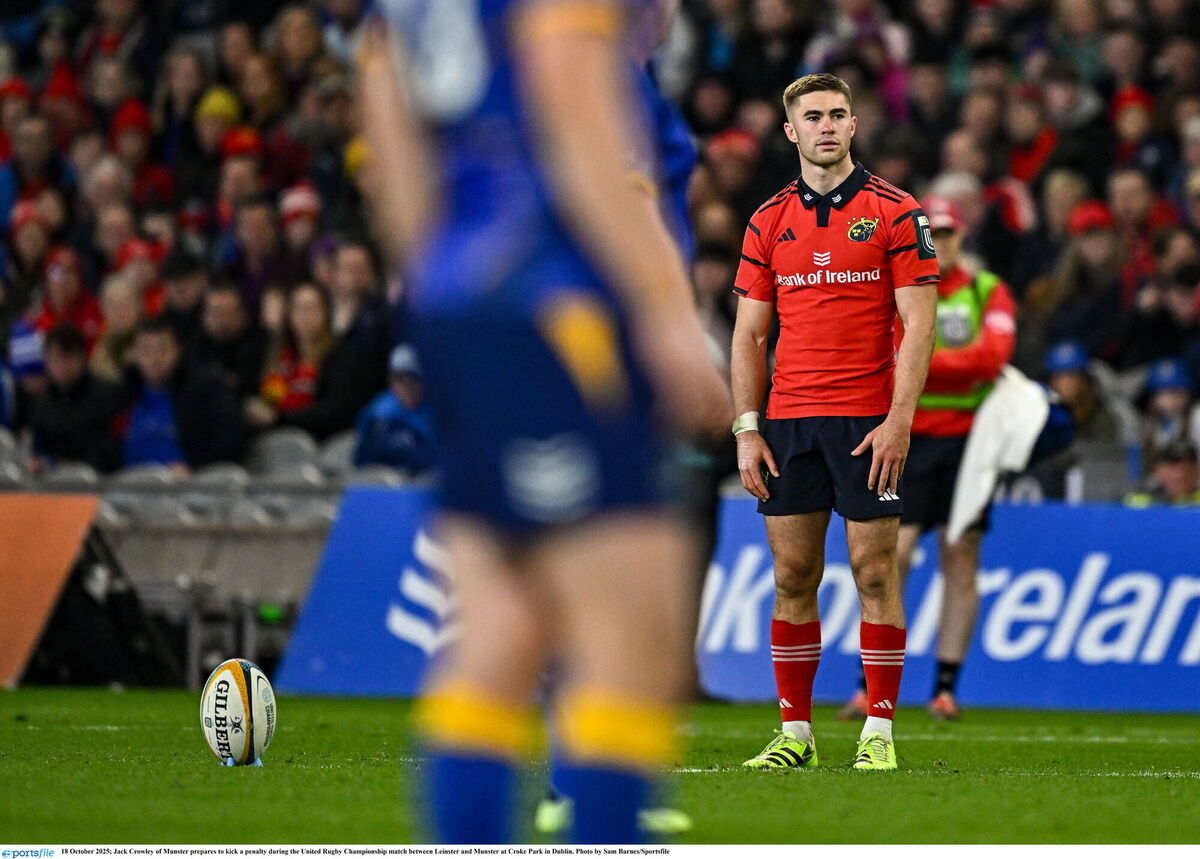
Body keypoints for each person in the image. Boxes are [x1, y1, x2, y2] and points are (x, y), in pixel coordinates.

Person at [360, 0, 729, 844]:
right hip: (559, 308)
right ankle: (609, 836)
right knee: (632, 624)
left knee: (503, 619)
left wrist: (440, 298)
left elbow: (390, 132)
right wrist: (666, 318)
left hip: (462, 298)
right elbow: (574, 113)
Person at [731, 73, 937, 771]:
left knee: (874, 571)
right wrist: (747, 427)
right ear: (790, 131)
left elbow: (919, 324)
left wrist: (900, 420)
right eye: (812, 116)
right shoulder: (768, 220)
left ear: (854, 125)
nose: (826, 125)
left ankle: (878, 731)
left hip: (867, 420)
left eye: (838, 114)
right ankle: (797, 734)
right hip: (788, 422)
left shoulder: (896, 211)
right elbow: (749, 336)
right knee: (793, 574)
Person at [837, 195, 1016, 723]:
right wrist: (947, 364)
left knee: (961, 555)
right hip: (905, 435)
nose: (939, 242)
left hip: (970, 443)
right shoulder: (900, 288)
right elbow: (891, 360)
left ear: (962, 237)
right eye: (931, 232)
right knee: (893, 554)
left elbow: (994, 358)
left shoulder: (986, 290)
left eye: (948, 232)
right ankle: (868, 683)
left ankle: (944, 689)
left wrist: (922, 359)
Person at [118, 317, 244, 473]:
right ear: (135, 353)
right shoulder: (124, 389)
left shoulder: (205, 387)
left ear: (178, 350)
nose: (155, 359)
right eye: (146, 351)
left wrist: (194, 467)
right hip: (125, 485)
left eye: (162, 349)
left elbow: (231, 440)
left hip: (188, 487)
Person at [27, 323, 121, 473]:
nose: (61, 366)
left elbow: (110, 450)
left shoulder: (106, 394)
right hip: (51, 485)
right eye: (55, 359)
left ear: (83, 358)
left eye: (68, 358)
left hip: (97, 482)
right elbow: (38, 449)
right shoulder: (41, 401)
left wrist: (67, 466)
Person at [352, 344, 436, 476]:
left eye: (413, 378)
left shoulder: (441, 413)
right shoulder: (379, 413)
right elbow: (362, 459)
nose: (407, 387)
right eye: (399, 379)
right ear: (391, 381)